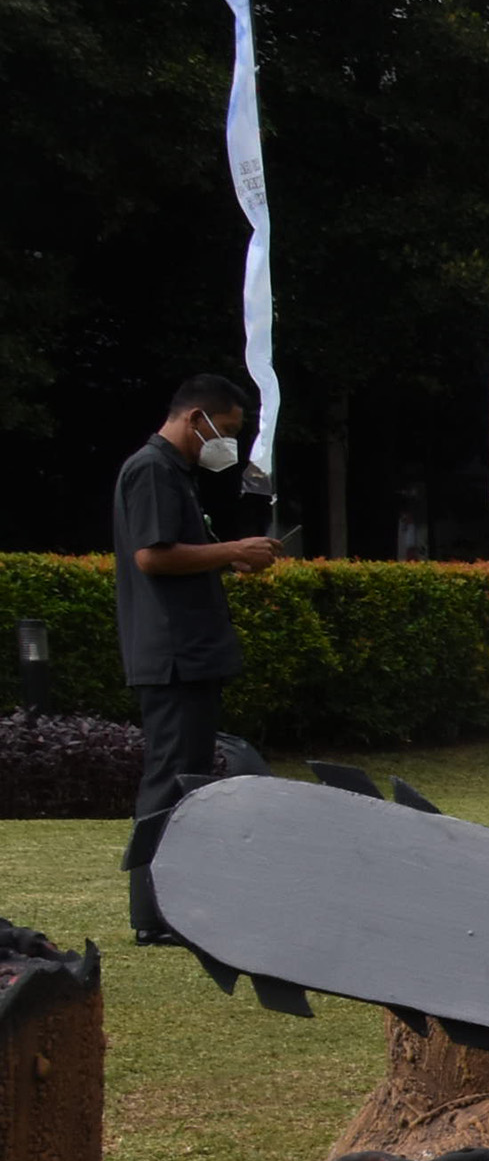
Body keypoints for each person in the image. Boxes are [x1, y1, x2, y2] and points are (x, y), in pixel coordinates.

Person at [112, 374, 274, 942]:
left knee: (188, 782)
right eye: (225, 430)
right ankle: (153, 916)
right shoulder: (152, 469)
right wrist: (232, 548)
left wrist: (226, 560)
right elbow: (151, 558)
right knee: (170, 780)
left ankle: (176, 904)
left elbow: (177, 554)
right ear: (195, 418)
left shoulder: (173, 473)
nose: (224, 443)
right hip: (173, 654)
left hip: (190, 651)